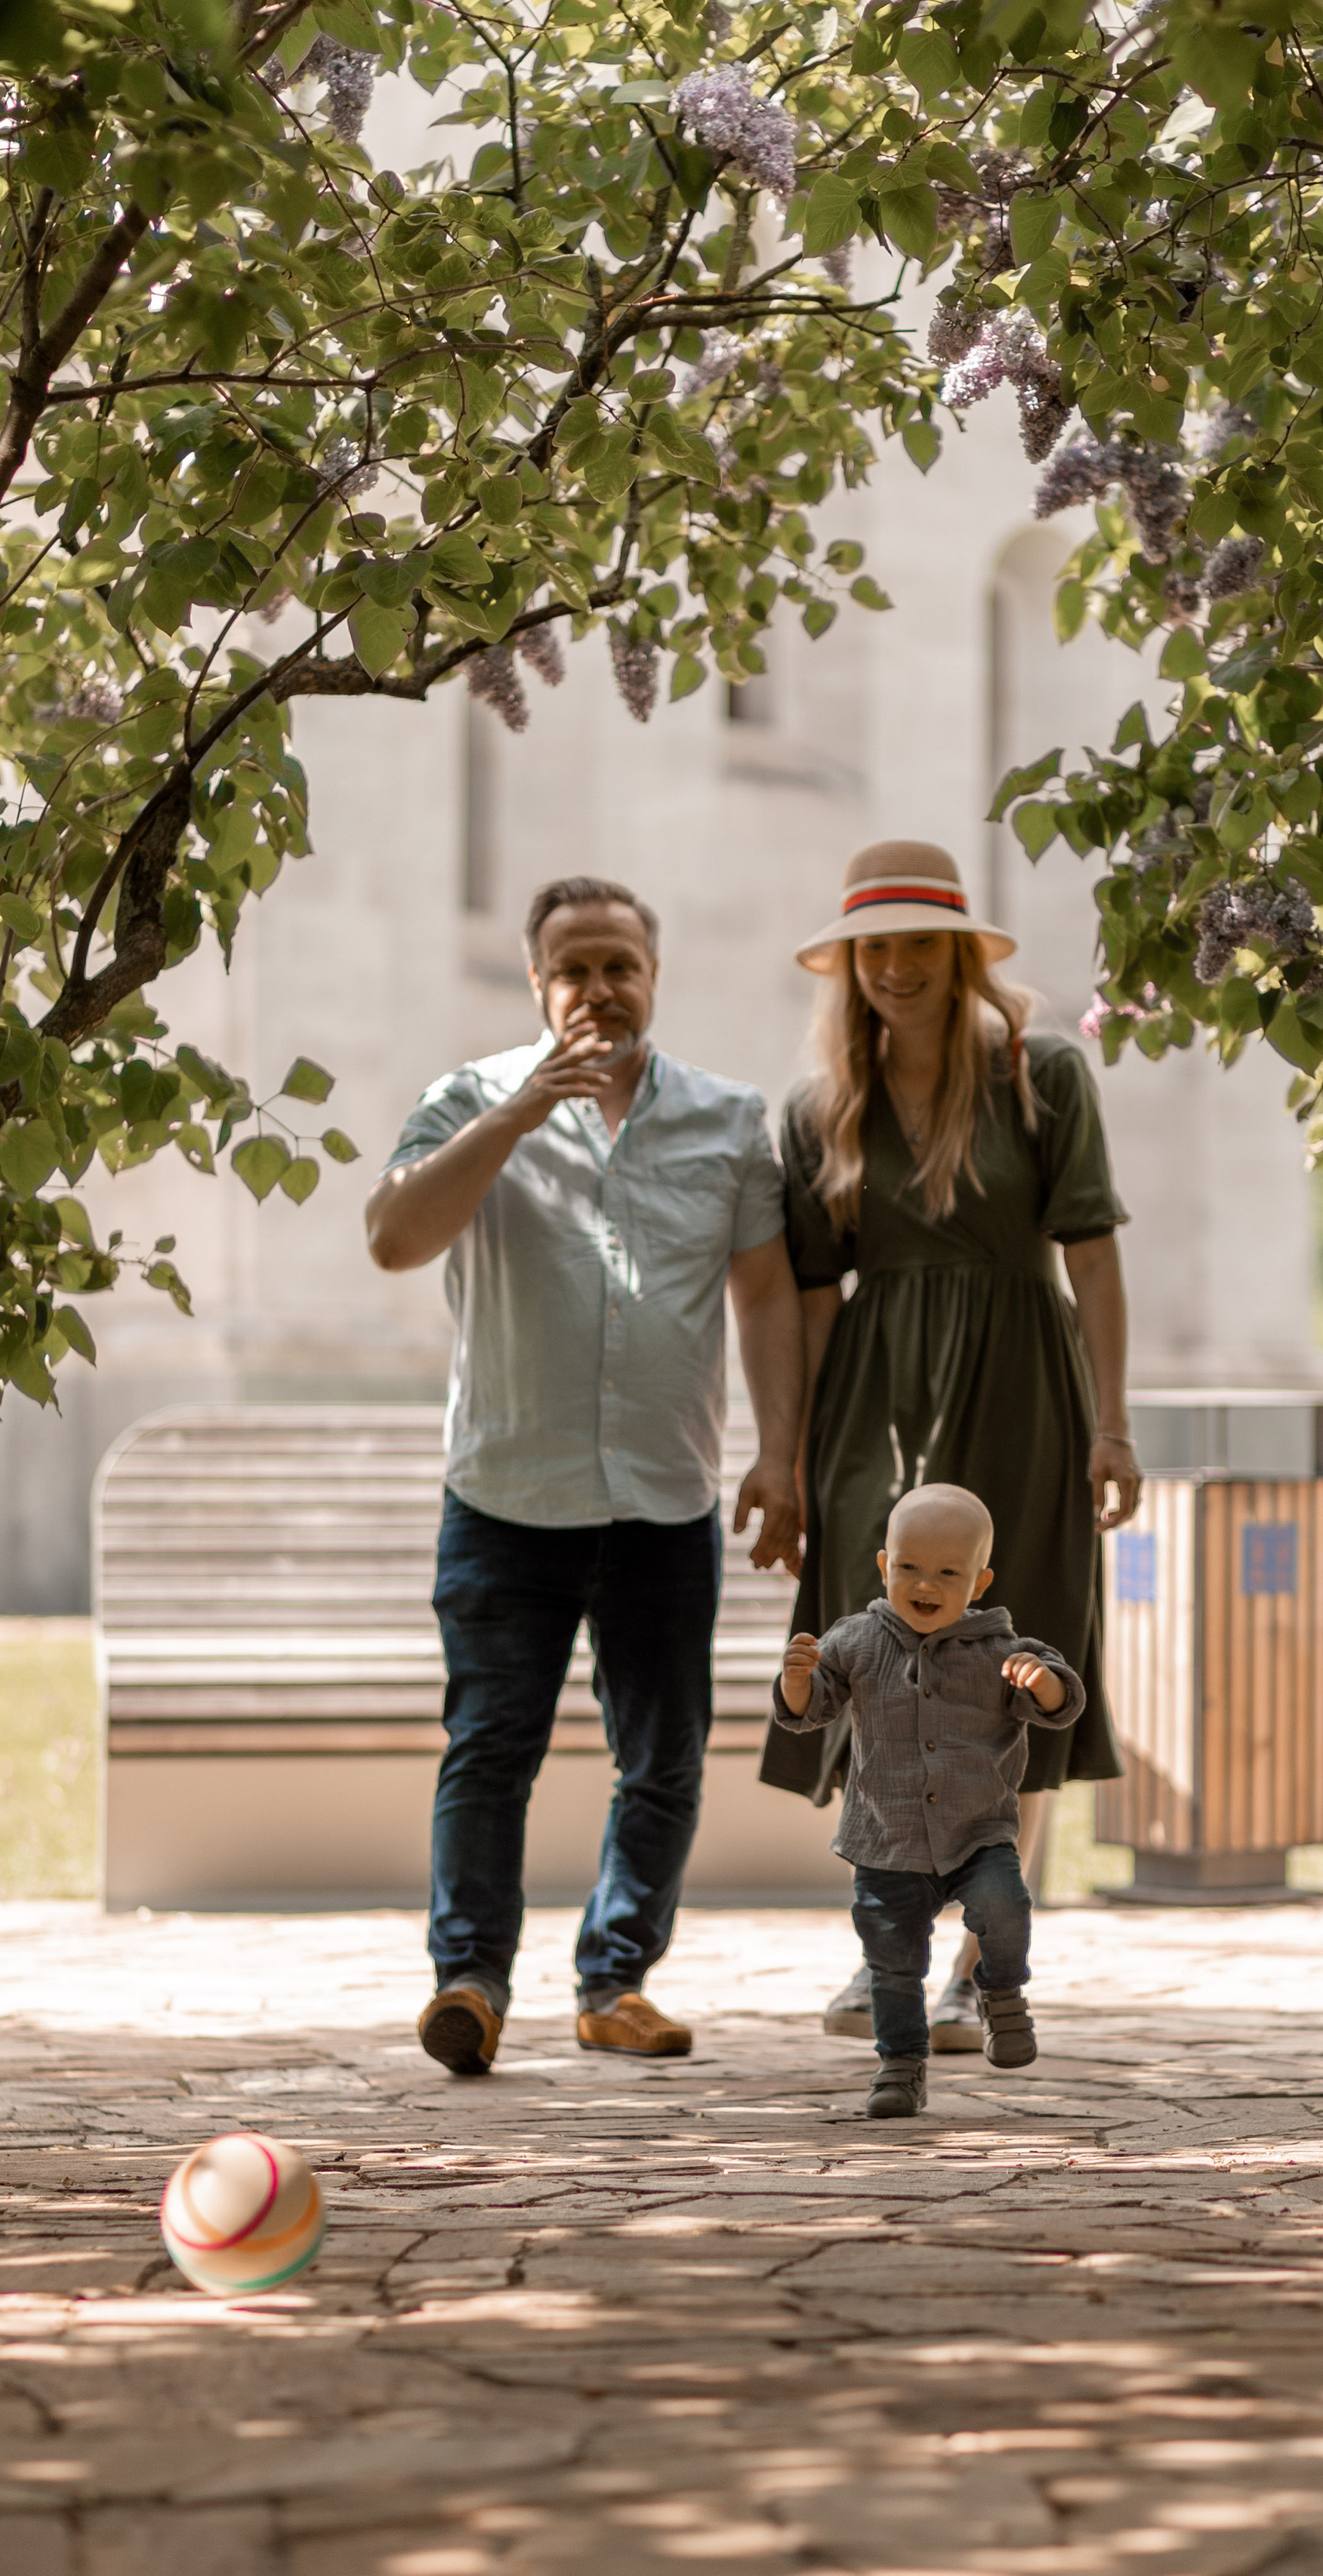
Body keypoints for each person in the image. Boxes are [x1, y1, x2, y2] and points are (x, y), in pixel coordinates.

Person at [366, 874, 804, 2075]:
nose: (600, 988)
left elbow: (765, 1291)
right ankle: (470, 1983)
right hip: (508, 1492)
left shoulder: (727, 1117)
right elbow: (396, 1236)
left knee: (663, 1755)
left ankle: (616, 1982)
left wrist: (783, 1451)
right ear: (537, 983)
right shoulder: (468, 1099)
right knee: (490, 1746)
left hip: (666, 1496)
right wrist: (517, 1114)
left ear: (653, 975)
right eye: (575, 968)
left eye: (620, 964)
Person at [757, 839, 1143, 2051]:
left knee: (1010, 1665)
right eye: (875, 946)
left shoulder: (1042, 1079)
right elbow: (811, 1300)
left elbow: (1092, 1256)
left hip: (1028, 1385)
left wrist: (1115, 1421)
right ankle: (889, 1946)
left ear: (963, 953)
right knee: (876, 1663)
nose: (896, 968)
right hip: (874, 1399)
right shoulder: (821, 1108)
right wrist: (795, 1458)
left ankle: (984, 1961)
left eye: (920, 943)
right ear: (850, 961)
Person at [775, 1482, 1084, 2118]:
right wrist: (797, 1682)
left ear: (980, 1581)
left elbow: (1059, 1709)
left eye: (949, 1572)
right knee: (892, 1963)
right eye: (910, 1567)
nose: (926, 1583)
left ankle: (999, 1992)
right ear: (886, 1567)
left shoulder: (1003, 1651)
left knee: (1006, 1907)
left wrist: (1047, 1685)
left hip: (978, 1832)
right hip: (888, 1840)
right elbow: (809, 1713)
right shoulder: (856, 1641)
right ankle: (901, 2065)